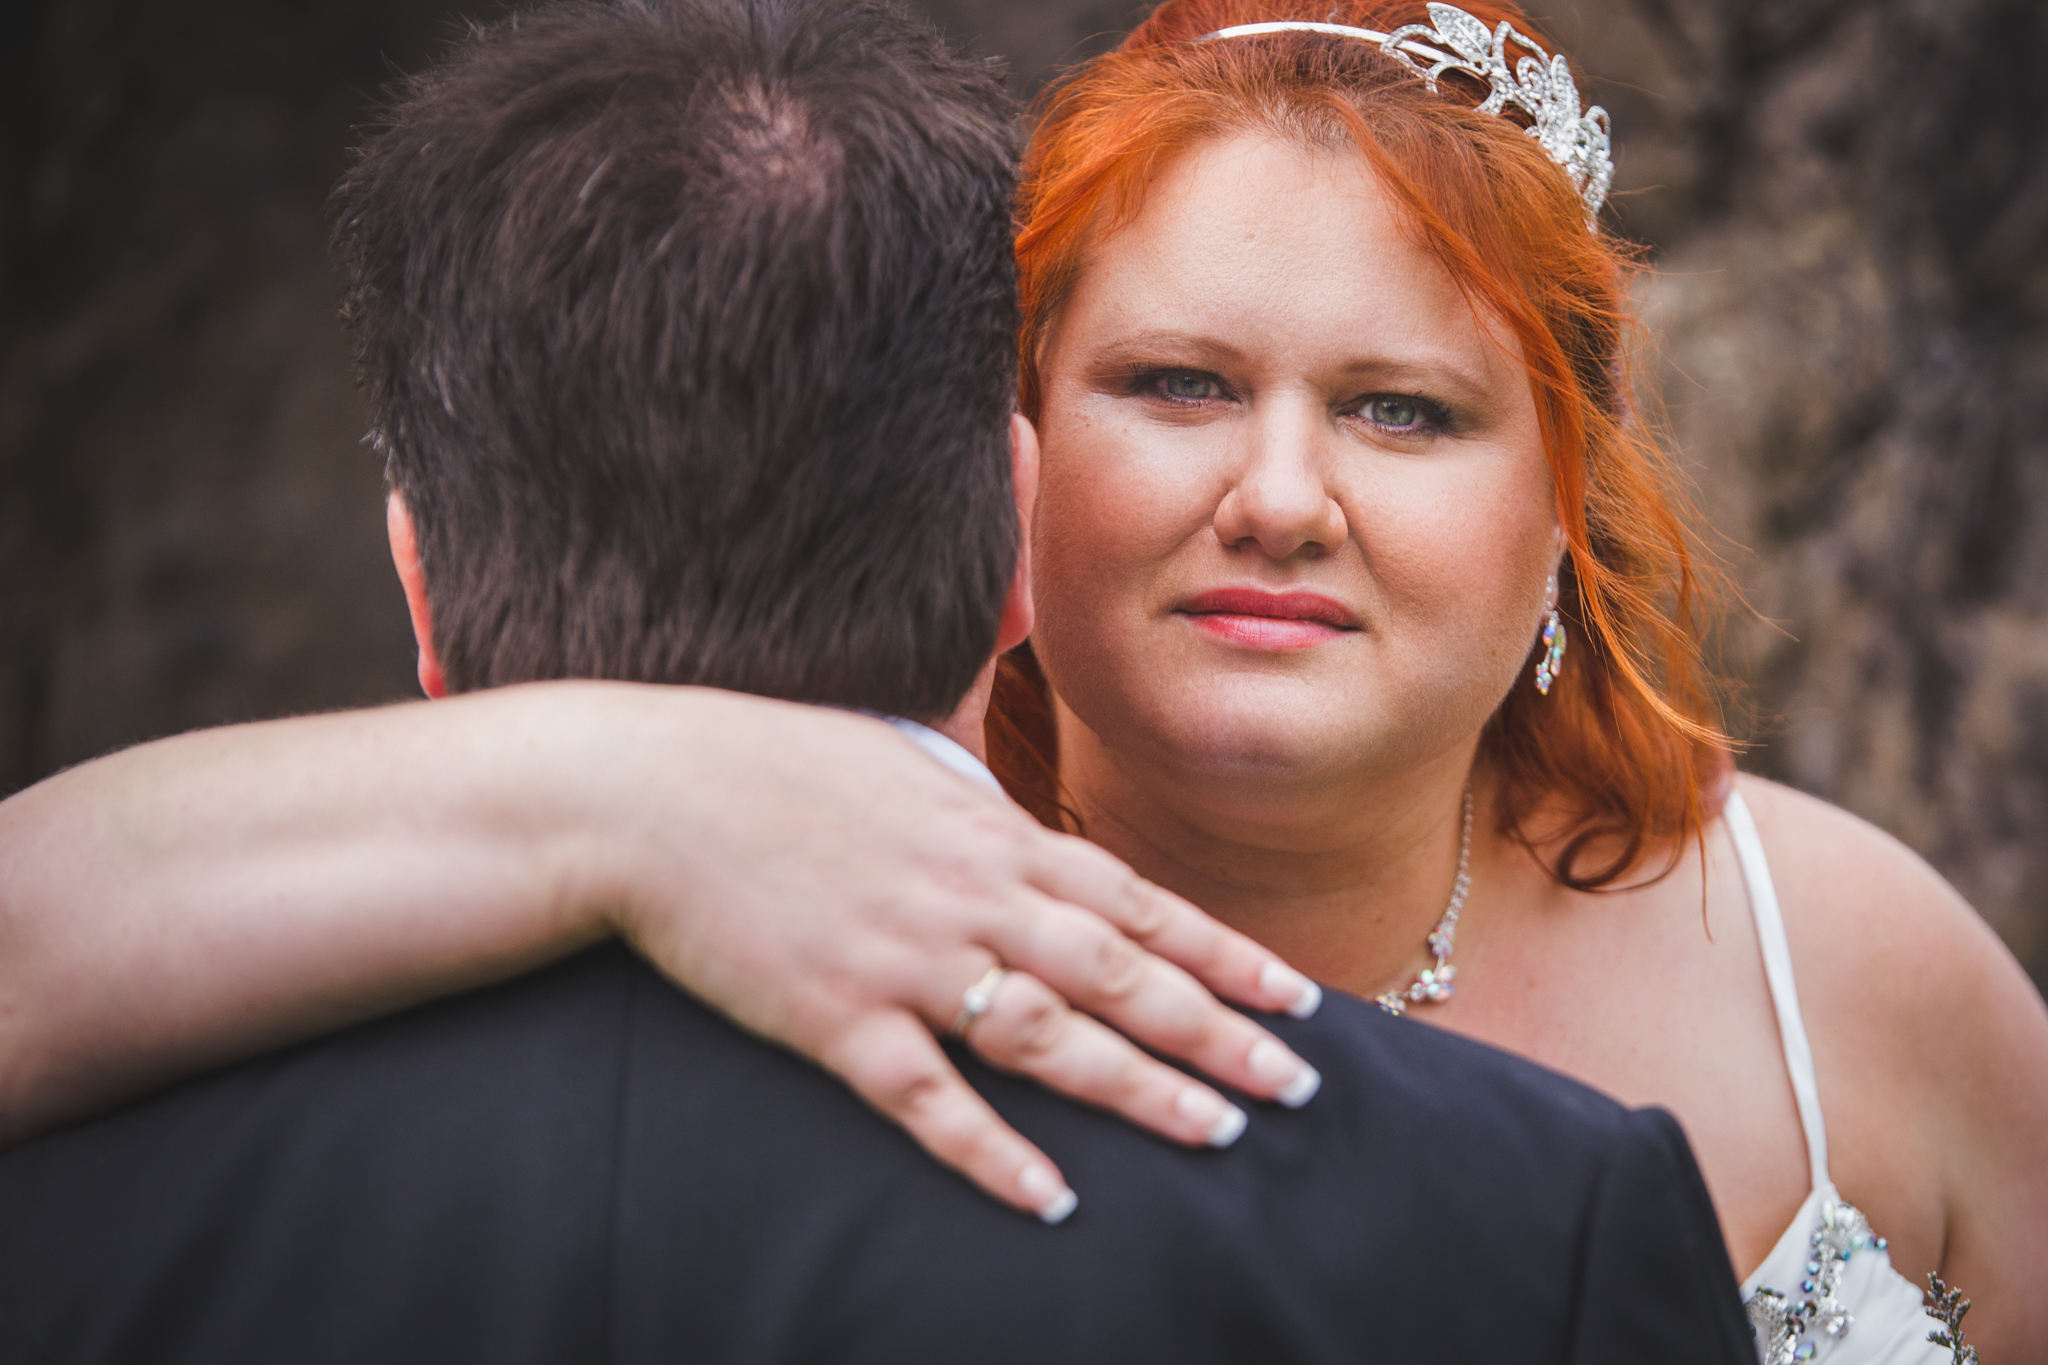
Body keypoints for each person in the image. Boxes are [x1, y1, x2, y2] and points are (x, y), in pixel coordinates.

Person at [1, 0, 2043, 1357]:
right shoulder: (773, 932)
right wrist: (634, 796)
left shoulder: (1852, 963)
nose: (1280, 498)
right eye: (1176, 384)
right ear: (1008, 466)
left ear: (1564, 501)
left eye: (1403, 411)